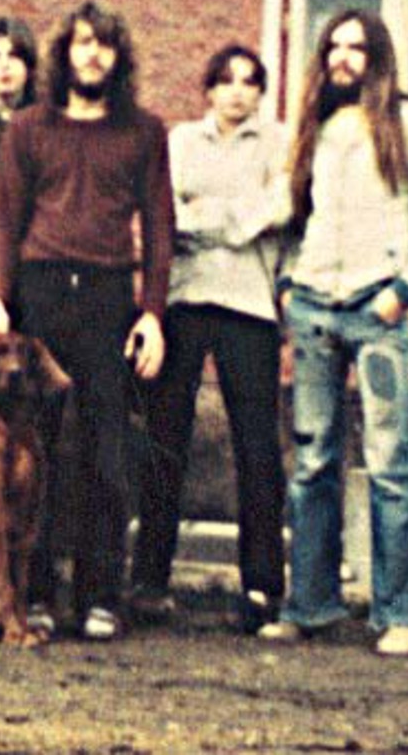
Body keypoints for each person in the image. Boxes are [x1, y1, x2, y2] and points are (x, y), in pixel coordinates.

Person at [258, 10, 408, 658]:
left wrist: (404, 292)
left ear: (378, 57)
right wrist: (288, 285)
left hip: (377, 310)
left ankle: (403, 614)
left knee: (389, 460)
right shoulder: (311, 130)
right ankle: (309, 605)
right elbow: (293, 216)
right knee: (313, 459)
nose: (344, 57)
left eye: (357, 47)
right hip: (314, 309)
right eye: (335, 46)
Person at [0, 1, 173, 641]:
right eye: (83, 42)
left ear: (118, 58)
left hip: (106, 296)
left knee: (106, 450)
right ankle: (34, 593)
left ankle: (100, 596)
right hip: (39, 291)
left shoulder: (143, 131)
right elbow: (6, 219)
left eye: (104, 45)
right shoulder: (28, 128)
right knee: (33, 449)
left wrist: (151, 314)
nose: (92, 54)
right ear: (64, 52)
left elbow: (160, 226)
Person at [133, 44, 289, 632]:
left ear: (260, 91)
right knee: (166, 438)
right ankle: (149, 581)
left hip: (249, 303)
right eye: (226, 81)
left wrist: (213, 216)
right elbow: (165, 213)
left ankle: (261, 588)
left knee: (257, 446)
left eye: (249, 82)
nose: (237, 92)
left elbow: (281, 206)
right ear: (209, 90)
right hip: (184, 299)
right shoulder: (180, 142)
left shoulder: (278, 143)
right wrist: (238, 217)